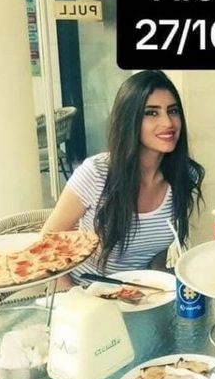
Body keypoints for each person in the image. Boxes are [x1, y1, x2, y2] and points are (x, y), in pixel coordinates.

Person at [43, 70, 204, 286]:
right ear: (129, 120)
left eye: (172, 111)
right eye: (151, 113)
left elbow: (155, 252)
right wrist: (73, 296)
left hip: (143, 294)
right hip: (85, 292)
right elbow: (46, 244)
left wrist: (165, 281)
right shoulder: (96, 173)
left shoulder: (183, 175)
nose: (168, 122)